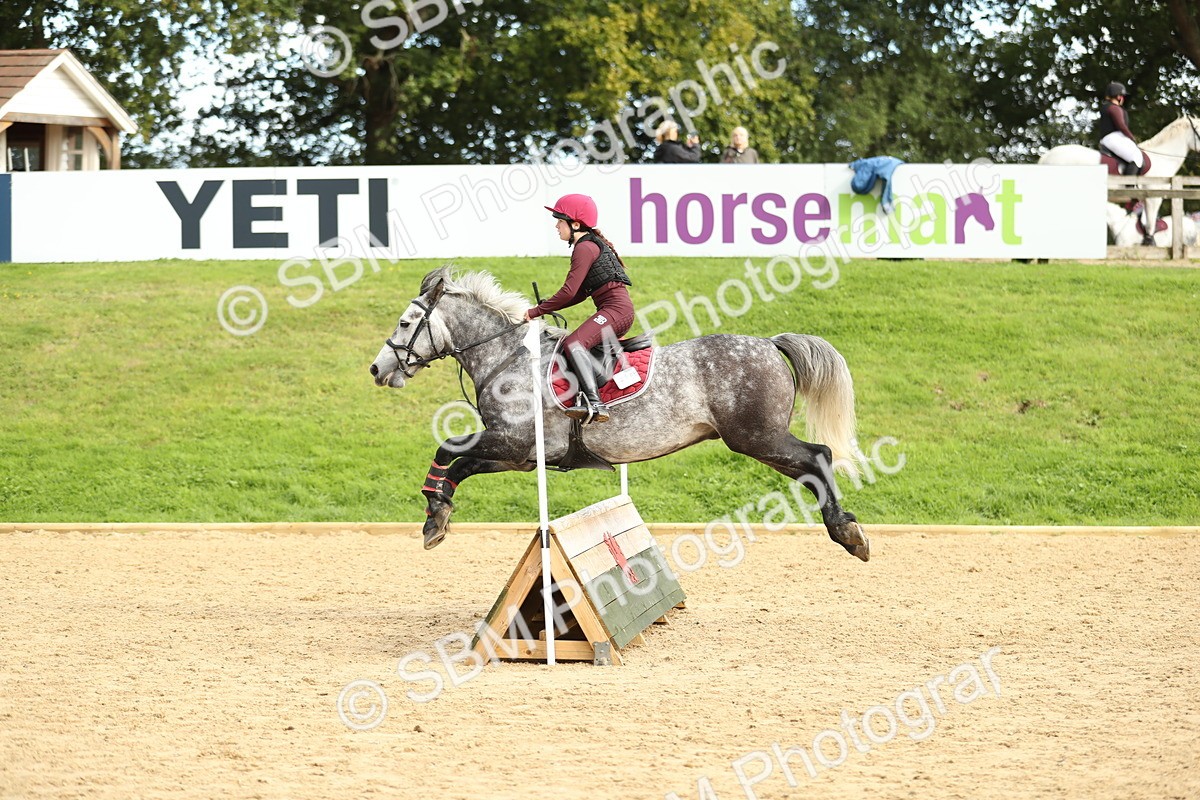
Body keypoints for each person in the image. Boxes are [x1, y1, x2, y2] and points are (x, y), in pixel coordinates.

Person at [525, 194, 634, 424]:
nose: (556, 226)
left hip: (616, 311)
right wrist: (546, 307)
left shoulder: (584, 248)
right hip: (617, 310)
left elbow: (567, 291)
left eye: (559, 221)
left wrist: (535, 312)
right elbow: (578, 294)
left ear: (575, 224)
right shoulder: (589, 244)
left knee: (573, 343)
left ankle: (595, 403)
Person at [1098, 81, 1143, 173]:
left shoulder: (1107, 107)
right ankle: (1129, 186)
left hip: (1110, 138)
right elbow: (1121, 126)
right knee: (1136, 157)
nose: (1123, 98)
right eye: (1122, 96)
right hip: (1114, 138)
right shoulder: (1114, 108)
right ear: (1118, 96)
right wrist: (1132, 138)